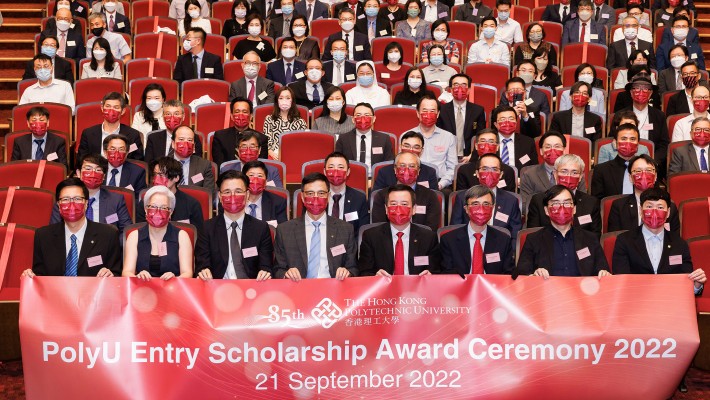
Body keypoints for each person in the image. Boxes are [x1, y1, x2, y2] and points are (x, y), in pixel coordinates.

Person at [612, 187, 705, 295]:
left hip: (670, 301)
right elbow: (621, 280)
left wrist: (697, 285)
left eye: (660, 207)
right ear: (641, 211)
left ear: (668, 212)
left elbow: (685, 284)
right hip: (636, 301)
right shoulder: (624, 241)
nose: (654, 212)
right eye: (649, 207)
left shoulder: (680, 244)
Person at [22, 178, 121, 278]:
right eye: (65, 199)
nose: (72, 204)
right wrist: (30, 276)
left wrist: (110, 275)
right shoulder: (43, 236)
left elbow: (116, 274)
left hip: (94, 293)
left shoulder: (108, 234)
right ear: (58, 205)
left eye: (77, 199)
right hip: (55, 293)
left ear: (86, 204)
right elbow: (40, 275)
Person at [274, 173, 358, 280]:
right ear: (303, 198)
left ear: (328, 197)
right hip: (298, 289)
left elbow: (353, 268)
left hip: (333, 290)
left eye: (321, 193)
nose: (316, 198)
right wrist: (286, 274)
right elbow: (277, 269)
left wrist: (347, 273)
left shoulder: (346, 229)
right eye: (310, 193)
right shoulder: (284, 230)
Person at [515, 185, 611, 278]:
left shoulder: (590, 239)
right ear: (546, 210)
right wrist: (533, 275)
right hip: (547, 291)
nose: (562, 208)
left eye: (567, 203)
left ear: (574, 209)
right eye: (556, 203)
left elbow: (603, 270)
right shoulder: (533, 239)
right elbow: (520, 274)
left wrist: (603, 273)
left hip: (582, 292)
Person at [196, 170, 274, 280]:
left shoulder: (260, 228)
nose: (233, 196)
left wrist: (264, 272)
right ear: (220, 196)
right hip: (217, 288)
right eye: (227, 192)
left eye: (238, 191)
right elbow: (202, 264)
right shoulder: (207, 228)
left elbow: (266, 266)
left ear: (247, 195)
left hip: (250, 289)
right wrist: (204, 271)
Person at [359, 184, 441, 276]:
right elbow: (364, 272)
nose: (398, 209)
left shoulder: (428, 238)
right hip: (384, 288)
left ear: (414, 209)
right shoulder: (371, 237)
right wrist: (375, 277)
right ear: (386, 209)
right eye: (393, 204)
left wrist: (430, 275)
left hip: (417, 288)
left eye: (404, 204)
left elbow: (436, 271)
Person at [49, 154, 132, 236]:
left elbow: (126, 231)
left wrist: (112, 246)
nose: (93, 173)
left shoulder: (116, 200)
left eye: (98, 170)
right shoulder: (65, 199)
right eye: (88, 169)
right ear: (78, 173)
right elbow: (54, 231)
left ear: (104, 176)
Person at [440, 185, 515, 276]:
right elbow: (446, 274)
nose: (481, 209)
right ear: (466, 209)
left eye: (486, 204)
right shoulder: (449, 240)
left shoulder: (503, 240)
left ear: (492, 208)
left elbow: (508, 274)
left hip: (492, 287)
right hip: (461, 288)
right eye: (475, 204)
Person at [123, 185, 193, 281]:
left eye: (164, 208)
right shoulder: (134, 236)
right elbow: (127, 272)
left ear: (171, 212)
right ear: (145, 209)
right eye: (153, 207)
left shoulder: (182, 236)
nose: (158, 212)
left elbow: (187, 273)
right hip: (142, 290)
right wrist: (137, 277)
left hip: (173, 291)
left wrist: (175, 279)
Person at [450, 154, 522, 241]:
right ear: (477, 173)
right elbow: (455, 230)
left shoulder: (511, 201)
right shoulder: (462, 197)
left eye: (494, 169)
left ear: (501, 174)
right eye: (485, 169)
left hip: (500, 248)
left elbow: (515, 235)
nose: (489, 173)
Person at [527, 155, 601, 237]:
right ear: (555, 174)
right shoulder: (538, 200)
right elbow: (533, 236)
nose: (569, 176)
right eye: (564, 171)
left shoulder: (591, 202)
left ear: (580, 177)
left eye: (574, 172)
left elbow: (594, 237)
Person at [608, 154, 680, 234]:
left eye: (648, 170)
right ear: (630, 177)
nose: (644, 174)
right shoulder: (619, 206)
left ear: (655, 176)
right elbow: (614, 239)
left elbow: (674, 240)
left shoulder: (669, 206)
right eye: (638, 171)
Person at [371, 151, 442, 231]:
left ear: (418, 171)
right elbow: (378, 228)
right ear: (395, 169)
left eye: (412, 166)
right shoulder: (382, 196)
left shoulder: (430, 196)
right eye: (402, 165)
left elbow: (431, 229)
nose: (406, 170)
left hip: (421, 241)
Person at [519, 132, 587, 212]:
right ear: (541, 151)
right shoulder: (529, 174)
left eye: (557, 146)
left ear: (564, 150)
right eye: (548, 147)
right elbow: (524, 206)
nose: (552, 150)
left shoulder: (575, 174)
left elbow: (583, 202)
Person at [136, 157, 205, 232]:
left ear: (176, 178)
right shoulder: (145, 203)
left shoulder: (192, 204)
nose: (156, 179)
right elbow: (140, 232)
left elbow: (198, 235)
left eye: (161, 175)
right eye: (155, 175)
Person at [619, 75, 669, 176]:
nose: (641, 92)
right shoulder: (621, 115)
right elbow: (615, 141)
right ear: (631, 92)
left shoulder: (659, 116)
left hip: (652, 163)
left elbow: (664, 144)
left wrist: (652, 161)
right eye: (637, 88)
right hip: (624, 162)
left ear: (650, 93)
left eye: (645, 89)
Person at [77, 92, 144, 165]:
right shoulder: (88, 134)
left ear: (123, 111)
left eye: (116, 107)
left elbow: (138, 162)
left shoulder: (133, 135)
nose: (111, 110)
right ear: (102, 108)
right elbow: (81, 160)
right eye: (108, 106)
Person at [405, 96, 456, 190]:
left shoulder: (448, 137)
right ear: (417, 113)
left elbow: (452, 168)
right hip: (412, 182)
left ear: (438, 114)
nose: (428, 114)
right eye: (424, 111)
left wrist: (440, 185)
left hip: (439, 183)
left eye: (432, 111)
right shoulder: (407, 136)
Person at [436, 73, 485, 159]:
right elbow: (437, 135)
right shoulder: (441, 110)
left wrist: (473, 156)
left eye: (463, 85)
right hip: (445, 155)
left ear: (469, 90)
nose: (459, 88)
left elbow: (480, 136)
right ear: (451, 89)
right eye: (456, 85)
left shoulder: (478, 111)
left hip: (469, 156)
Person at [592, 123, 646, 199]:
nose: (628, 143)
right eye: (623, 139)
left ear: (638, 144)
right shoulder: (601, 170)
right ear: (615, 143)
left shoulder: (647, 170)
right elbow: (598, 203)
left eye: (632, 139)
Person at [335, 102, 395, 171]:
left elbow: (389, 164)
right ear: (353, 119)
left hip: (376, 178)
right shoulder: (343, 139)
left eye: (367, 115)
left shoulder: (384, 139)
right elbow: (338, 162)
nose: (362, 118)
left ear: (374, 119)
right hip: (352, 176)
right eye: (358, 115)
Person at [372, 131, 439, 191]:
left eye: (416, 147)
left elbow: (434, 199)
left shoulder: (430, 172)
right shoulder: (384, 172)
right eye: (407, 146)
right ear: (400, 147)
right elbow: (376, 198)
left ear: (422, 151)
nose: (411, 150)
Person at [212, 97, 270, 167]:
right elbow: (220, 166)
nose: (240, 115)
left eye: (245, 112)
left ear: (251, 116)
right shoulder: (220, 136)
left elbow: (261, 166)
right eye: (237, 112)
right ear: (231, 116)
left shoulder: (262, 138)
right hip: (228, 176)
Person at [144, 100, 203, 166]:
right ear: (163, 117)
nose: (172, 117)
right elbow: (148, 165)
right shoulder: (153, 138)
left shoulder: (193, 137)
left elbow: (198, 165)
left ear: (183, 117)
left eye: (176, 114)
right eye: (168, 114)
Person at [322, 152, 369, 236]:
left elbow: (362, 232)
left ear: (348, 172)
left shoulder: (359, 198)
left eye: (340, 167)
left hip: (349, 246)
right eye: (331, 167)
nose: (336, 171)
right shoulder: (316, 197)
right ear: (325, 172)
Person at [263, 86, 308, 159]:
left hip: (294, 154)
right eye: (281, 98)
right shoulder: (269, 119)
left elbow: (302, 143)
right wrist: (271, 152)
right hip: (275, 154)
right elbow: (268, 141)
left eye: (288, 98)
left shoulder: (300, 122)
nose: (284, 101)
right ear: (277, 101)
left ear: (292, 101)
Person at [491, 105, 539, 171]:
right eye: (503, 119)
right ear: (496, 124)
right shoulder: (487, 141)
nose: (507, 122)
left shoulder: (528, 142)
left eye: (511, 119)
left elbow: (534, 169)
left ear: (516, 123)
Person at [171, 126, 215, 193]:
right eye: (181, 139)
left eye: (189, 140)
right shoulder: (162, 165)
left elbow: (208, 195)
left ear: (194, 146)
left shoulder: (204, 165)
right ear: (173, 144)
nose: (185, 143)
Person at [243, 160, 288, 225]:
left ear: (266, 181)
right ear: (243, 179)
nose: (255, 180)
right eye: (251, 175)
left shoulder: (278, 202)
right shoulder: (234, 200)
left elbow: (283, 230)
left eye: (260, 176)